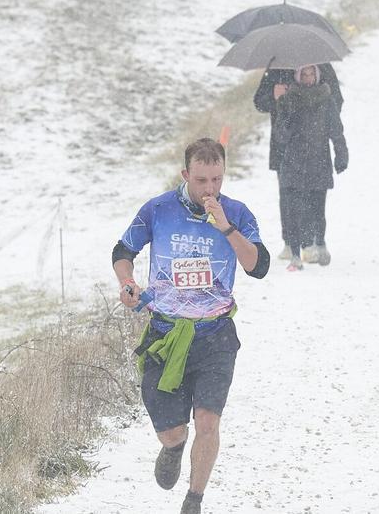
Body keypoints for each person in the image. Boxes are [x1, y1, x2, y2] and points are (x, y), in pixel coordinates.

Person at [112, 138, 270, 514]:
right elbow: (123, 251)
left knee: (208, 422)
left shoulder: (237, 213)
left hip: (215, 334)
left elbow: (258, 267)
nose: (210, 189)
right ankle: (173, 446)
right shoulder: (159, 209)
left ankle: (194, 499)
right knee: (172, 430)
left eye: (216, 178)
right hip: (165, 334)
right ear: (186, 175)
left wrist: (227, 228)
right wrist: (127, 284)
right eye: (201, 180)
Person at [253, 62, 346, 264]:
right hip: (284, 146)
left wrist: (315, 111)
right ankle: (290, 242)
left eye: (311, 74)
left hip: (316, 147)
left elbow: (337, 101)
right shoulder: (277, 67)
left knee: (314, 197)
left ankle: (312, 241)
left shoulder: (324, 66)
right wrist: (276, 99)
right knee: (288, 196)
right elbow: (259, 102)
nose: (307, 76)